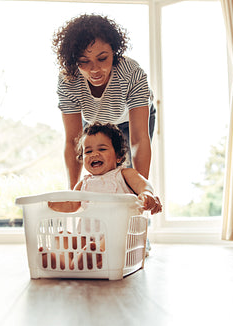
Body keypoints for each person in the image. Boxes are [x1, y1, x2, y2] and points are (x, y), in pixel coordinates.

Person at [52, 14, 156, 190]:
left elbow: (138, 139)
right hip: (95, 122)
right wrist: (73, 192)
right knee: (95, 175)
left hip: (129, 121)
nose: (95, 70)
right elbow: (72, 141)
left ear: (114, 52)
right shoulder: (68, 81)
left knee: (125, 179)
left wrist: (141, 192)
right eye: (84, 61)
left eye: (102, 58)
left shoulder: (131, 73)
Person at [44, 123, 162, 270]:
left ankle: (91, 258)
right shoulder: (84, 183)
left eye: (102, 149)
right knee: (62, 236)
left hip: (117, 240)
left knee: (114, 236)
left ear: (118, 156)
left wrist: (147, 194)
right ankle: (65, 261)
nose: (94, 154)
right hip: (87, 240)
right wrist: (50, 204)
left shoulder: (124, 174)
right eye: (88, 151)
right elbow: (71, 205)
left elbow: (143, 184)